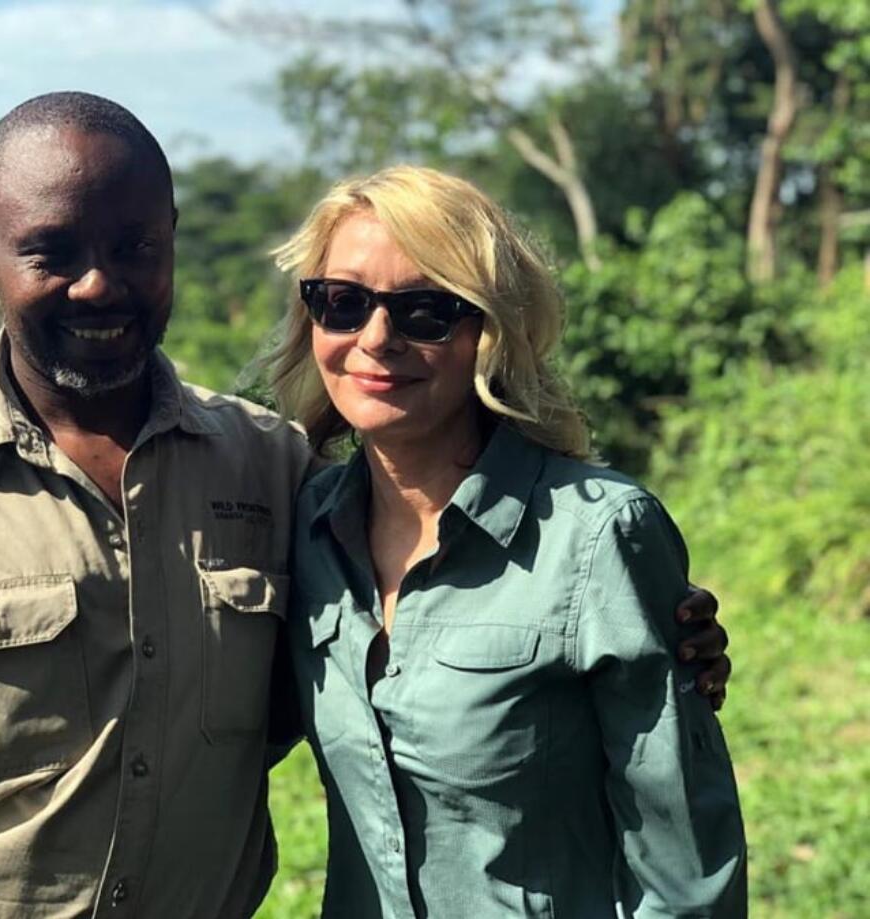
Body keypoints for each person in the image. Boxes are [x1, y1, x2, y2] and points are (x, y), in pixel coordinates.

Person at [0, 93, 731, 918]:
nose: (97, 282)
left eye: (427, 308)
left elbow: (675, 853)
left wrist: (662, 628)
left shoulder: (271, 475)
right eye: (341, 303)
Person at [265, 165, 746, 917]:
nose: (375, 337)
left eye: (425, 311)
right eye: (343, 303)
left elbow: (685, 873)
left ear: (489, 330)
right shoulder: (304, 527)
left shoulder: (596, 535)